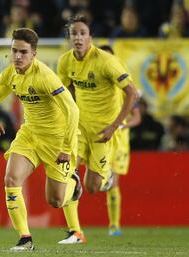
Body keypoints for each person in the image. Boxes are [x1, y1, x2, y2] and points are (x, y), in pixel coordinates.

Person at [0, 28, 81, 251]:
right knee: (11, 179)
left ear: (34, 54)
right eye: (14, 51)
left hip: (56, 140)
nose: (17, 56)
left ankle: (73, 184)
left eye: (23, 52)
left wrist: (67, 146)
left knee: (55, 201)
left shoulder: (45, 77)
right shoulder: (9, 74)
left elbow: (72, 110)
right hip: (29, 134)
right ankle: (25, 239)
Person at [57, 15, 138, 242]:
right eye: (75, 34)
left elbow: (133, 93)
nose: (79, 38)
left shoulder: (106, 61)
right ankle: (76, 232)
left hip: (103, 133)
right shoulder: (65, 62)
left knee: (92, 187)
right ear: (70, 37)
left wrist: (114, 126)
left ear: (90, 37)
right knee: (68, 174)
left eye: (83, 33)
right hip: (79, 128)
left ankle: (107, 177)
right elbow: (60, 94)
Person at [99, 45, 142, 236]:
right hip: (98, 134)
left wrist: (124, 125)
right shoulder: (94, 85)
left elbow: (137, 116)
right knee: (100, 180)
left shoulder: (125, 85)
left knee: (113, 182)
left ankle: (114, 225)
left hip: (119, 139)